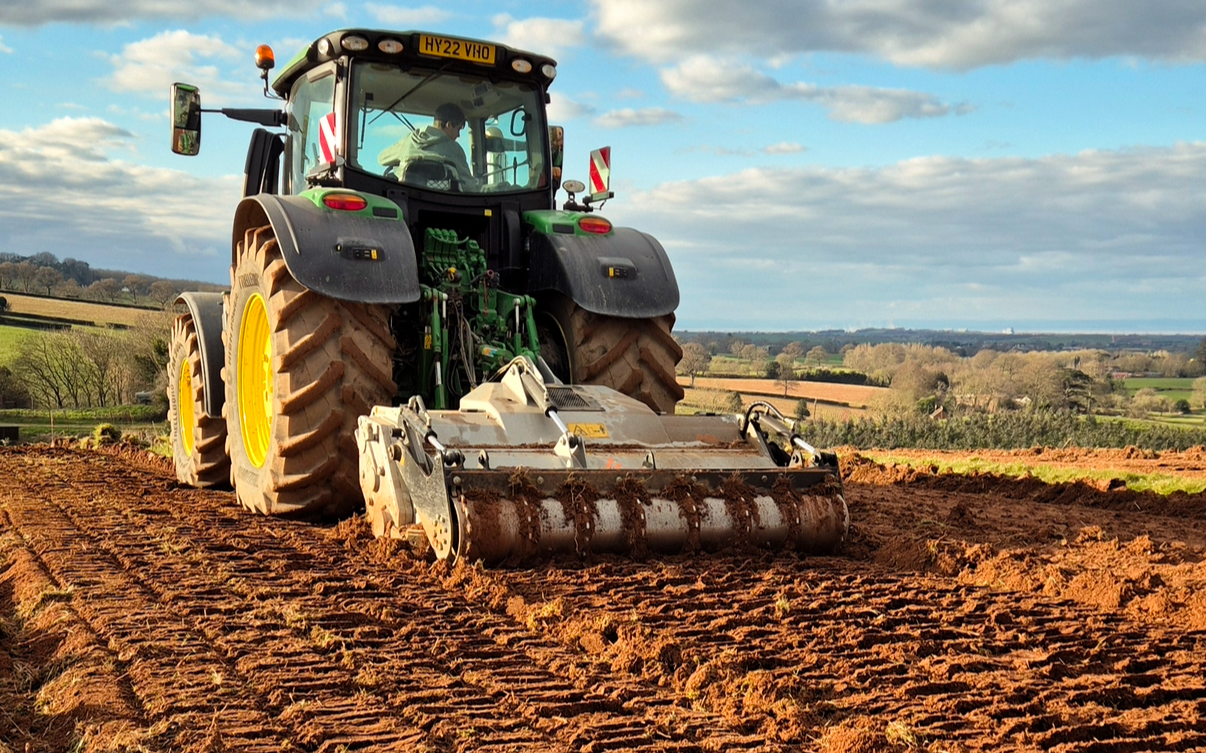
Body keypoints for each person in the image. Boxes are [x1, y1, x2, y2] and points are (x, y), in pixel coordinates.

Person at [378, 102, 477, 190]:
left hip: (407, 202)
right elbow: (469, 186)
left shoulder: (409, 140)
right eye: (458, 129)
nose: (458, 135)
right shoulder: (455, 149)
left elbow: (382, 159)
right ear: (449, 125)